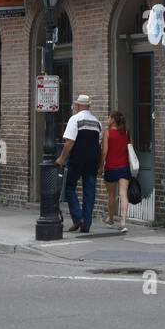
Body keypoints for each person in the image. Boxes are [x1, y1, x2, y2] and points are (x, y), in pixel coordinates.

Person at [55, 94, 101, 234]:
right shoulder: (96, 122)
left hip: (77, 159)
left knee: (69, 187)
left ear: (79, 106)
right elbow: (98, 143)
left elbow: (69, 142)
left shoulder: (75, 119)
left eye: (76, 105)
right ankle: (86, 223)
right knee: (89, 191)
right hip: (93, 160)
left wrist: (62, 158)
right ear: (88, 106)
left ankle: (78, 218)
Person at [101, 109, 132, 233]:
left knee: (111, 195)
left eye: (109, 117)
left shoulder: (107, 133)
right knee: (123, 194)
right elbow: (130, 149)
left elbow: (104, 152)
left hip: (111, 167)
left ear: (113, 119)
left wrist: (100, 166)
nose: (107, 120)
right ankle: (123, 222)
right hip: (124, 167)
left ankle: (111, 219)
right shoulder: (126, 132)